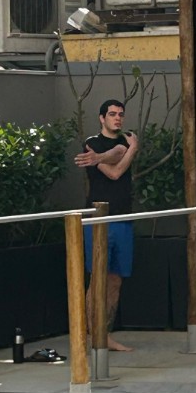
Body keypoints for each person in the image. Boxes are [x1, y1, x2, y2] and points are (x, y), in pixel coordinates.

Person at [75, 99, 139, 351]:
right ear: (102, 118)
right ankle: (92, 335)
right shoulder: (92, 143)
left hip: (123, 218)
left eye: (120, 114)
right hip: (99, 220)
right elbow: (114, 173)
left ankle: (105, 334)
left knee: (115, 280)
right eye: (112, 114)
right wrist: (133, 150)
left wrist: (116, 153)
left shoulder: (124, 141)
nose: (117, 118)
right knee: (98, 277)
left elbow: (119, 155)